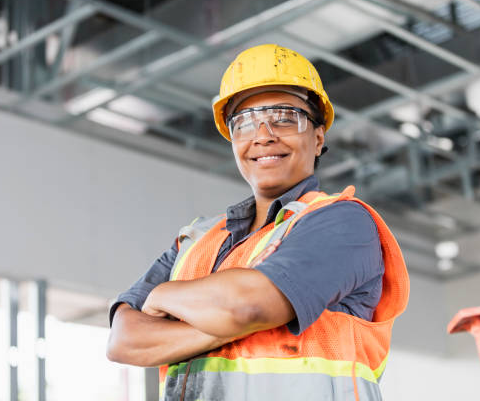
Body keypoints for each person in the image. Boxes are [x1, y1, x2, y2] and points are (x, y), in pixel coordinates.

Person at [107, 44, 409, 401]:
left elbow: (247, 307)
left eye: (284, 117)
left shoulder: (343, 223)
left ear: (318, 137)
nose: (263, 134)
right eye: (245, 122)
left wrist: (163, 296)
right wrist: (232, 325)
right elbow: (123, 340)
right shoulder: (195, 241)